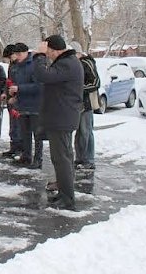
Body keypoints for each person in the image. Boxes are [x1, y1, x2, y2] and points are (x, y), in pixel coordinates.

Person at [33, 35, 84, 210]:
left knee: (61, 158)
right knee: (64, 158)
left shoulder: (67, 63)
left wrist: (38, 56)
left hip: (62, 117)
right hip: (61, 116)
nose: (48, 56)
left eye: (48, 53)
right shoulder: (68, 61)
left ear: (55, 50)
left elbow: (43, 75)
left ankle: (68, 198)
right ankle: (64, 193)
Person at [9, 42, 43, 169]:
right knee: (25, 133)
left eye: (19, 54)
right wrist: (14, 96)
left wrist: (19, 88)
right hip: (22, 104)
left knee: (37, 134)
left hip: (35, 105)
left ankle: (38, 158)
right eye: (15, 54)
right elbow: (16, 83)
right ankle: (26, 155)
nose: (17, 57)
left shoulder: (34, 64)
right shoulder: (17, 66)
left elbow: (38, 86)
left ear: (25, 52)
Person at [71, 41, 100, 170]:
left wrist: (79, 88)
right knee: (79, 132)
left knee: (86, 131)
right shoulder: (75, 64)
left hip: (86, 103)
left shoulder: (87, 63)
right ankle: (80, 158)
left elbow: (96, 82)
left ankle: (88, 159)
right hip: (77, 103)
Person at [0, 44, 23, 157]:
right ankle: (13, 146)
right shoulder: (12, 65)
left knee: (18, 125)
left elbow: (20, 83)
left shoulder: (20, 66)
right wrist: (5, 92)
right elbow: (8, 81)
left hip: (17, 99)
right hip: (10, 97)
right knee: (13, 125)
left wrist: (16, 96)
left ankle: (19, 147)